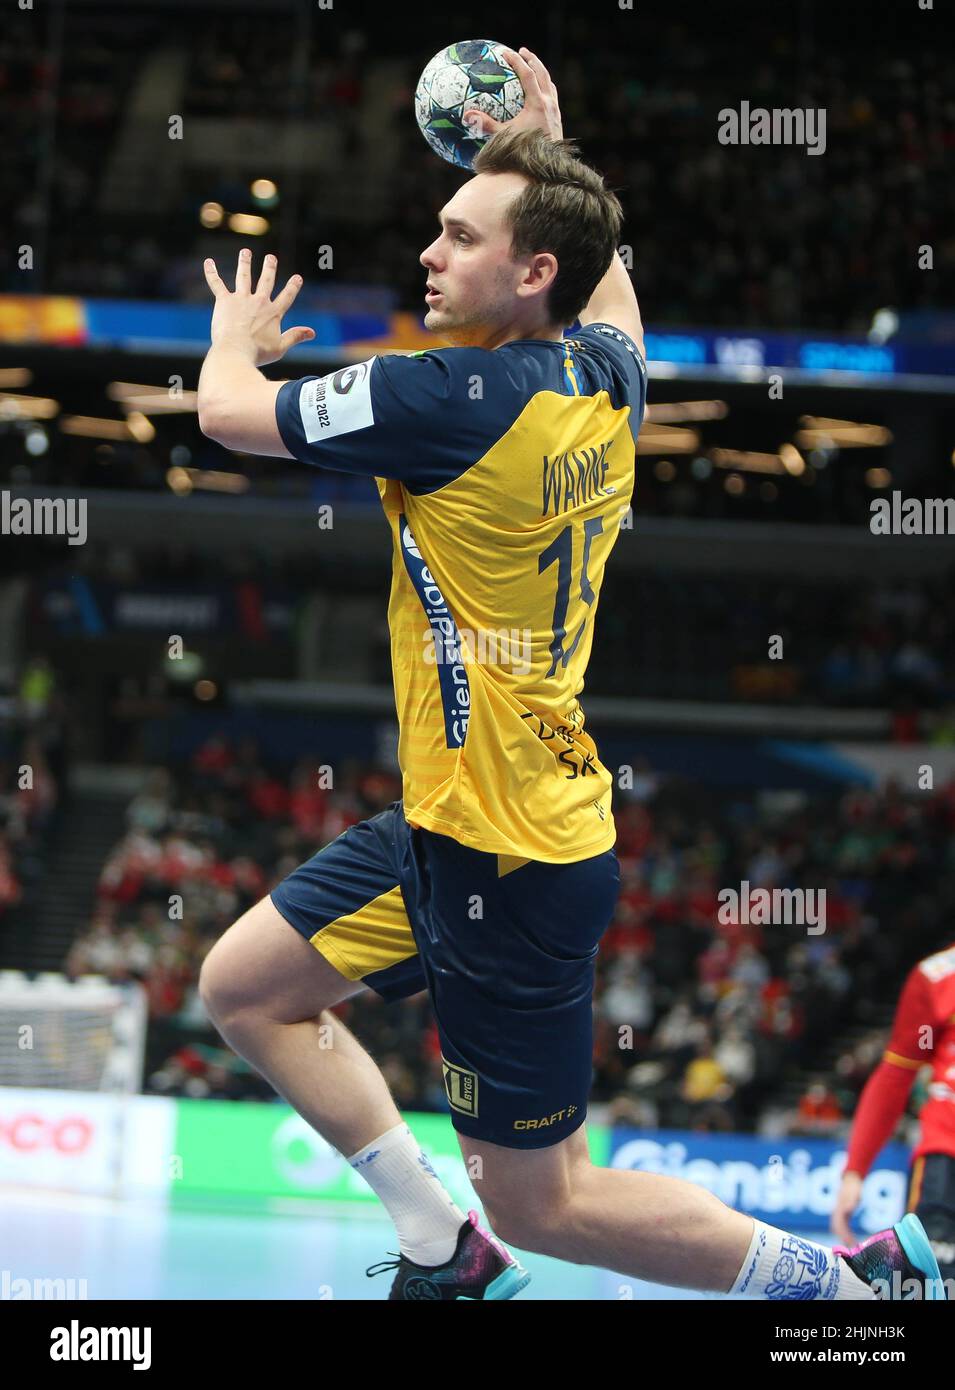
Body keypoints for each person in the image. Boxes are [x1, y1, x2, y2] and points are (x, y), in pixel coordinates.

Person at [196, 46, 940, 1301]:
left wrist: (235, 338)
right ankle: (442, 1245)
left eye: (458, 231)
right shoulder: (599, 377)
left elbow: (225, 413)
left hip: (511, 854)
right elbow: (613, 299)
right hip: (453, 819)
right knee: (243, 988)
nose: (428, 251)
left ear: (533, 270)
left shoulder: (443, 397)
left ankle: (851, 1282)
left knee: (550, 1201)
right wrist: (549, 155)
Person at [832, 941, 955, 1292]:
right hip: (946, 1166)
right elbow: (895, 1076)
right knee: (933, 1288)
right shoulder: (937, 976)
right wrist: (855, 1170)